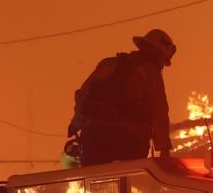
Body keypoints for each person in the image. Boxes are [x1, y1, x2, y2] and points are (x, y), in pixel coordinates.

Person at [65, 28, 176, 166]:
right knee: (129, 177)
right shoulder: (151, 73)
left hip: (93, 135)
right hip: (129, 139)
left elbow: (83, 95)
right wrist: (164, 150)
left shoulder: (108, 64)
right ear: (158, 56)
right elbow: (159, 113)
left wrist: (76, 124)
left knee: (94, 176)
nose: (161, 66)